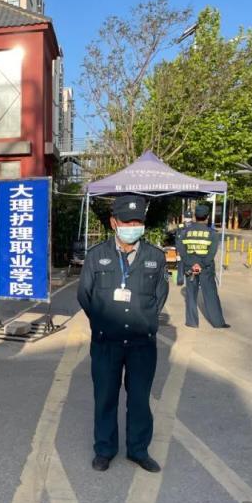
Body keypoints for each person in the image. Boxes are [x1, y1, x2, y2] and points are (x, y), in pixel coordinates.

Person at [77, 195, 169, 474]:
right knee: (105, 397)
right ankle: (104, 450)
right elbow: (84, 295)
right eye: (127, 221)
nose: (132, 226)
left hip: (142, 343)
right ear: (113, 222)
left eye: (137, 221)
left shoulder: (155, 257)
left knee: (140, 399)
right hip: (106, 342)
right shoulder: (96, 255)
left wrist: (142, 319)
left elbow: (160, 297)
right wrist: (105, 320)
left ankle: (138, 450)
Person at [175, 204, 229, 329]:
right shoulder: (212, 233)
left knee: (191, 294)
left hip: (190, 267)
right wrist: (200, 265)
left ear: (195, 216)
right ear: (207, 217)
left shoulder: (185, 231)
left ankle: (192, 322)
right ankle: (217, 322)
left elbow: (181, 249)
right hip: (206, 268)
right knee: (210, 294)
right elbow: (211, 253)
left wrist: (191, 264)